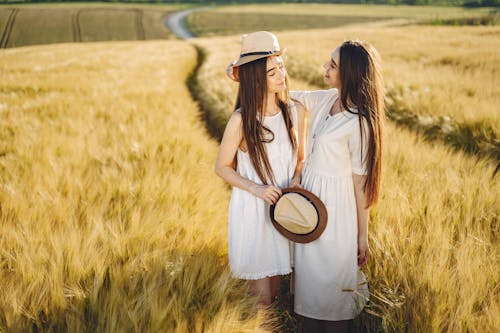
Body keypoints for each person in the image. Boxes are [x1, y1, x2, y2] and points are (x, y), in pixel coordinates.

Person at [289, 40, 384, 332]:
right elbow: (284, 95)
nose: (325, 67)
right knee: (308, 294)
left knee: (334, 298)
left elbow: (360, 182)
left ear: (351, 73)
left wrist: (362, 235)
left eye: (333, 65)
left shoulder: (360, 122)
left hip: (338, 216)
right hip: (309, 212)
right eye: (328, 61)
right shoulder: (326, 98)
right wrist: (245, 73)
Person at [215, 31, 306, 306]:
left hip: (284, 211)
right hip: (254, 212)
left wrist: (297, 181)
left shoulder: (295, 111)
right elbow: (222, 167)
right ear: (256, 78)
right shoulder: (241, 120)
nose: (282, 76)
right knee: (262, 300)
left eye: (281, 67)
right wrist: (257, 188)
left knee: (276, 291)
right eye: (271, 72)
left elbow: (300, 159)